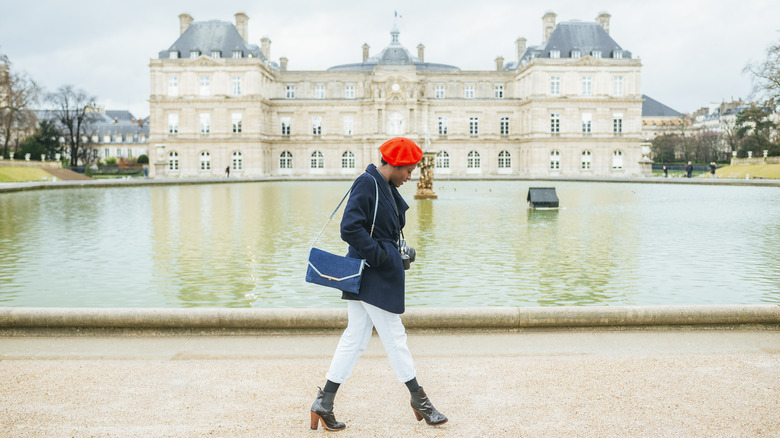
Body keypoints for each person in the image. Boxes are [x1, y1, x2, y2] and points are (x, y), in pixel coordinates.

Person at [310, 137, 448, 432]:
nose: (410, 177)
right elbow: (349, 228)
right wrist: (383, 257)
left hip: (371, 272)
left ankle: (324, 402)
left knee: (355, 338)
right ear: (395, 165)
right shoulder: (367, 182)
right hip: (372, 274)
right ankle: (419, 400)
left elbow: (382, 228)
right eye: (408, 170)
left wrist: (398, 251)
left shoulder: (382, 184)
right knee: (394, 336)